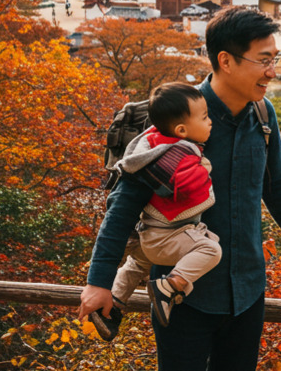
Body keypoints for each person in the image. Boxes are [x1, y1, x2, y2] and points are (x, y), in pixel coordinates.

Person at [79, 7, 281, 370]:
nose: (272, 72)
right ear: (226, 60)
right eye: (264, 61)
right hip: (181, 296)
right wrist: (99, 281)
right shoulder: (176, 122)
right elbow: (122, 206)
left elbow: (277, 189)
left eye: (275, 60)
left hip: (247, 291)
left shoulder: (263, 116)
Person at [91, 82, 222, 340]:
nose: (210, 122)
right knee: (210, 249)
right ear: (182, 130)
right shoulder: (175, 155)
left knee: (138, 262)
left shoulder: (150, 144)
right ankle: (169, 286)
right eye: (205, 117)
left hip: (147, 236)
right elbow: (189, 183)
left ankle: (113, 306)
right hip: (167, 237)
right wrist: (203, 166)